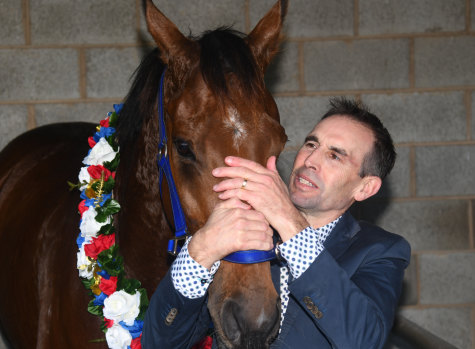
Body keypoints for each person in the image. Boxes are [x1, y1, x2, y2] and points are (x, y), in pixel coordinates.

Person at [141, 98, 411, 348]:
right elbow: (161, 342)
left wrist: (289, 222)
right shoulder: (243, 234)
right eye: (311, 144)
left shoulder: (381, 251)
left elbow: (363, 340)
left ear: (365, 188)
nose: (310, 161)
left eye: (334, 155)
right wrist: (199, 251)